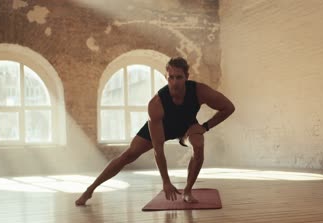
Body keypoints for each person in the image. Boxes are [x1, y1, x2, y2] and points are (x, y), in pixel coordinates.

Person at [75, 57, 235, 206]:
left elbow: (228, 107)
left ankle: (187, 191)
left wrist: (205, 126)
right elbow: (159, 150)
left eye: (178, 77)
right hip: (162, 127)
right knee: (128, 155)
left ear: (186, 76)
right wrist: (165, 181)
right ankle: (90, 189)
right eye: (170, 77)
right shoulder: (156, 103)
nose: (174, 82)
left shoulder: (199, 91)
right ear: (166, 77)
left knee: (199, 145)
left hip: (187, 127)